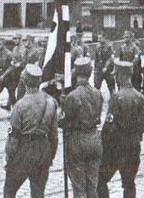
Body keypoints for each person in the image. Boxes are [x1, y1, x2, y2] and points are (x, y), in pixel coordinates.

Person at [3, 64, 58, 198]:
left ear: (24, 81)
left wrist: (9, 158)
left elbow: (14, 137)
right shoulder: (51, 102)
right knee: (38, 193)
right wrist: (50, 155)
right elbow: (54, 135)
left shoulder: (20, 105)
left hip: (24, 152)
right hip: (43, 151)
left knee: (9, 191)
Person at [97, 60, 144, 198]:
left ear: (120, 76)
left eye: (116, 75)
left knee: (100, 180)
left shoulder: (116, 98)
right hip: (133, 146)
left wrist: (104, 145)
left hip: (116, 148)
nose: (115, 77)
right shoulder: (141, 97)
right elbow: (142, 126)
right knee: (129, 183)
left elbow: (109, 127)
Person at [59, 57, 103, 198]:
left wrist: (63, 106)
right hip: (94, 139)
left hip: (78, 141)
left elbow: (62, 123)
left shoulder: (73, 96)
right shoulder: (98, 93)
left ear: (75, 73)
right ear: (90, 72)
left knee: (78, 187)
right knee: (92, 185)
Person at [16, 34, 44, 100]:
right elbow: (23, 62)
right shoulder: (25, 51)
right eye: (23, 40)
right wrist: (19, 64)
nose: (23, 42)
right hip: (24, 76)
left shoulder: (36, 52)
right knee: (20, 94)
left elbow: (37, 65)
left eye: (25, 40)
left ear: (30, 41)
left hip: (33, 77)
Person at [1, 34, 24, 111]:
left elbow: (24, 60)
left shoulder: (23, 48)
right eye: (14, 39)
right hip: (14, 71)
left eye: (16, 38)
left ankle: (15, 107)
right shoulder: (14, 48)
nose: (15, 40)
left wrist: (19, 64)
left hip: (21, 71)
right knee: (11, 89)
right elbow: (13, 59)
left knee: (15, 90)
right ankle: (9, 105)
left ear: (20, 39)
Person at [0, 38, 15, 118]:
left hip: (9, 78)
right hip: (0, 78)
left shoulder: (9, 54)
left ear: (3, 44)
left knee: (12, 96)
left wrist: (4, 75)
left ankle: (15, 113)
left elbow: (11, 66)